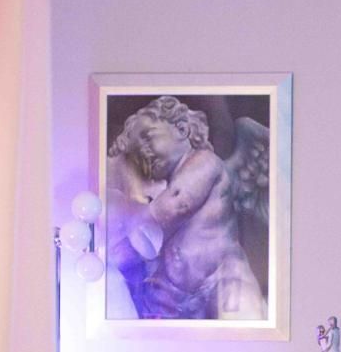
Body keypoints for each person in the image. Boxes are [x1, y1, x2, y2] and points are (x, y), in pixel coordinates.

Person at [106, 96, 268, 321]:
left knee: (240, 323)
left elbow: (179, 203)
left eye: (148, 137)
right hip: (176, 292)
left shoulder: (205, 162)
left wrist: (132, 227)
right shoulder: (161, 189)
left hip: (220, 278)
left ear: (182, 129)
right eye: (137, 152)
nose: (144, 152)